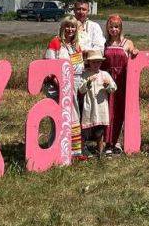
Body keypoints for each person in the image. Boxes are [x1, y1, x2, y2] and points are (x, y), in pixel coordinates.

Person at [45, 15, 84, 156]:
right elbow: (49, 67)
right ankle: (54, 148)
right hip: (57, 88)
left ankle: (72, 150)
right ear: (62, 27)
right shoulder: (56, 42)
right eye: (67, 26)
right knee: (59, 117)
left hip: (72, 87)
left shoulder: (75, 46)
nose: (70, 29)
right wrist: (61, 85)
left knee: (73, 116)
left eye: (73, 26)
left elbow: (79, 67)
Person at [103, 14, 137, 154]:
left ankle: (116, 141)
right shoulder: (104, 43)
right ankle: (106, 142)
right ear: (107, 28)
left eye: (116, 27)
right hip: (106, 81)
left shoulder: (127, 42)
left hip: (122, 81)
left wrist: (135, 51)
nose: (114, 29)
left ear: (121, 28)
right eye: (111, 27)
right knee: (106, 111)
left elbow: (133, 52)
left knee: (119, 111)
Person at [79, 49, 117, 155]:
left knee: (99, 132)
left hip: (100, 107)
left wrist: (107, 86)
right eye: (93, 62)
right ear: (89, 62)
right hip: (89, 106)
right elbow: (81, 90)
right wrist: (88, 82)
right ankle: (82, 152)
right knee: (85, 131)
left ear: (101, 63)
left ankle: (100, 152)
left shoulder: (105, 74)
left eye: (98, 62)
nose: (96, 64)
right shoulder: (85, 74)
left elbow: (114, 88)